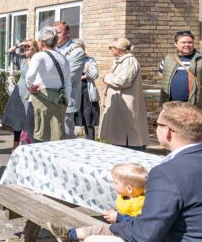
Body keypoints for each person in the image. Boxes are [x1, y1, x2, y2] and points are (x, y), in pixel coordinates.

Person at [82, 102, 202, 242]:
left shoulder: (166, 174)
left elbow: (145, 234)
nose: (155, 128)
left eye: (156, 125)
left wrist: (113, 229)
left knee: (92, 240)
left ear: (168, 131)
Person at [47, 163, 148, 242]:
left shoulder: (140, 204)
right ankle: (68, 235)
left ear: (129, 189)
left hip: (128, 234)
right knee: (97, 229)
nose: (113, 185)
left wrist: (119, 218)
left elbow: (140, 225)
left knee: (99, 230)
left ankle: (70, 236)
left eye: (116, 183)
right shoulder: (127, 196)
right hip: (121, 228)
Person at [100, 38, 148, 151]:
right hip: (120, 102)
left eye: (111, 48)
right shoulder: (121, 60)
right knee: (119, 132)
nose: (110, 50)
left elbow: (124, 81)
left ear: (119, 49)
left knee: (127, 131)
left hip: (125, 101)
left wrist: (106, 77)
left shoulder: (129, 61)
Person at [25, 27, 72, 142]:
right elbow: (68, 83)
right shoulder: (63, 58)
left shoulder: (39, 56)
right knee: (55, 136)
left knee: (37, 135)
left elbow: (30, 76)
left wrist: (29, 87)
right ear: (55, 42)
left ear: (40, 42)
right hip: (58, 101)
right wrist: (67, 101)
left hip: (40, 99)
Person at [1, 39, 40, 150]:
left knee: (30, 118)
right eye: (25, 47)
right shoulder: (23, 60)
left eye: (29, 47)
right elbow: (8, 53)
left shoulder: (40, 60)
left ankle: (29, 143)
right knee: (18, 118)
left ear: (36, 48)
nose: (26, 48)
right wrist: (19, 44)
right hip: (21, 91)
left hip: (34, 91)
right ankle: (16, 142)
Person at [54, 21, 86, 139]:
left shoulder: (76, 51)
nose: (55, 36)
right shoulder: (51, 49)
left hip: (66, 99)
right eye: (53, 33)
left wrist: (47, 79)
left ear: (67, 33)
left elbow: (69, 76)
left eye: (58, 33)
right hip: (49, 99)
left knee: (66, 135)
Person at [159, 30, 202, 108]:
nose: (187, 45)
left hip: (195, 104)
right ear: (176, 43)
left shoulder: (200, 59)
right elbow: (161, 75)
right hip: (171, 104)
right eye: (183, 42)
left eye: (190, 42)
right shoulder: (168, 59)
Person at [73, 39, 100, 140]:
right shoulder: (69, 60)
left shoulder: (89, 60)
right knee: (73, 119)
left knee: (89, 120)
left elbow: (95, 74)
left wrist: (86, 70)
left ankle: (90, 142)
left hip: (86, 93)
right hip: (74, 92)